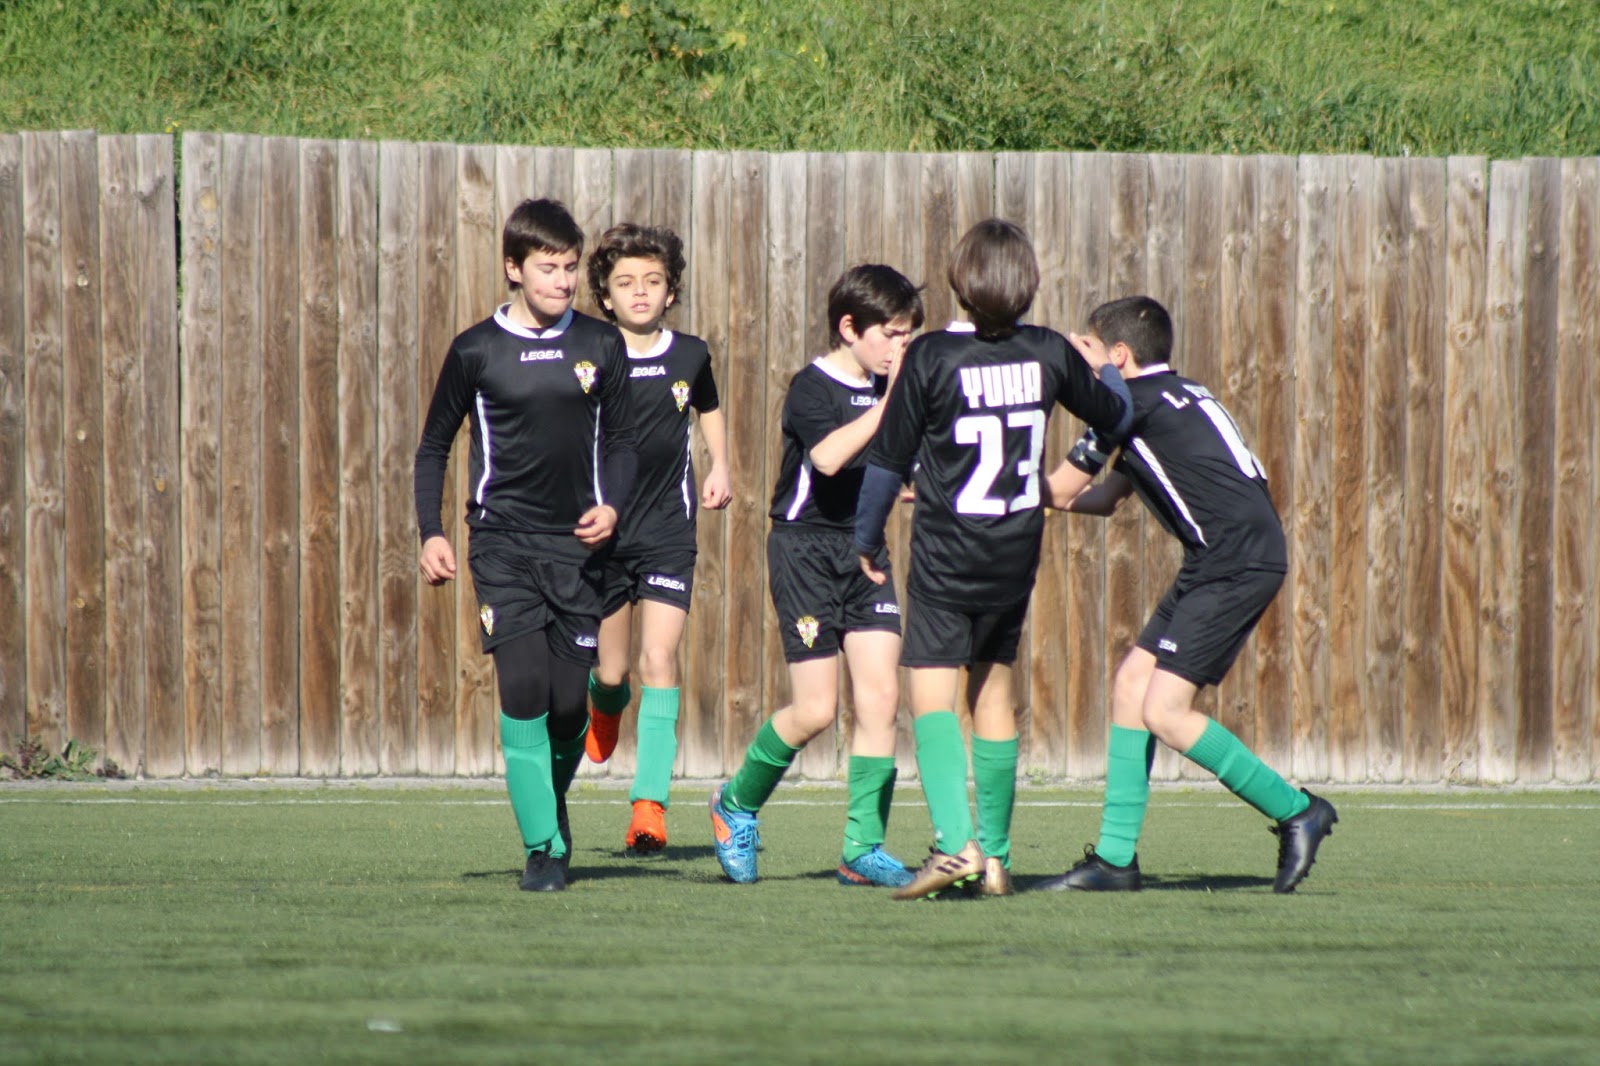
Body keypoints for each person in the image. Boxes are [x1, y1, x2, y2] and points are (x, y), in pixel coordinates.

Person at [853, 219, 1136, 901]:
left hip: (948, 550)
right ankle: (999, 858)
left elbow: (888, 459)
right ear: (1027, 284)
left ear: (960, 281)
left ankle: (956, 846)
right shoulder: (1047, 351)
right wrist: (1102, 371)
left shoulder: (928, 356)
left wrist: (864, 538)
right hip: (1014, 549)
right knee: (993, 690)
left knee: (931, 691)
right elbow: (1117, 415)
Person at [1035, 294, 1336, 893]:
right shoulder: (1179, 395)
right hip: (1221, 557)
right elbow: (1098, 498)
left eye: (1090, 352)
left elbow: (1064, 487)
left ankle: (1297, 810)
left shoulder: (1129, 406)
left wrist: (980, 487)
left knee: (1165, 711)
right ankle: (1114, 861)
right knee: (1132, 686)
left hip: (1234, 562)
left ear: (1119, 356)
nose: (1083, 366)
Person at [414, 198, 637, 893]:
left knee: (570, 706)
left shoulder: (601, 344)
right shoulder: (476, 350)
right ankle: (543, 847)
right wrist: (432, 531)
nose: (562, 281)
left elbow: (625, 441)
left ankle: (549, 801)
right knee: (524, 689)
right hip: (502, 544)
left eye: (570, 268)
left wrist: (612, 505)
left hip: (579, 550)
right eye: (548, 268)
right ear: (514, 268)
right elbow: (433, 447)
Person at [708, 264, 924, 888]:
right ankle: (735, 804)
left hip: (865, 553)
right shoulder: (812, 387)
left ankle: (862, 848)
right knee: (816, 709)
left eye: (908, 335)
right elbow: (827, 458)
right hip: (804, 551)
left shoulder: (891, 390)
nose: (901, 347)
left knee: (881, 698)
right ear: (849, 328)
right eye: (891, 334)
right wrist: (890, 407)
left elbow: (898, 465)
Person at [581, 222, 731, 855]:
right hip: (605, 533)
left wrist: (721, 464)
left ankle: (649, 807)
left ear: (671, 291)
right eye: (625, 283)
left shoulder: (690, 354)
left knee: (659, 660)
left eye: (652, 281)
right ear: (605, 296)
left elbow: (708, 407)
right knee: (613, 669)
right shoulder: (588, 353)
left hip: (669, 530)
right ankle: (605, 702)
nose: (640, 292)